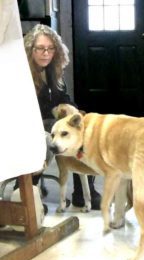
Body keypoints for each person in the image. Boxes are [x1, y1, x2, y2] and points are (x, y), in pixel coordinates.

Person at [23, 24, 101, 210]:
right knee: (60, 129)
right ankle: (26, 188)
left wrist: (72, 110)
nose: (46, 53)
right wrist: (57, 113)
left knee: (82, 126)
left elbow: (64, 97)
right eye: (40, 48)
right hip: (29, 123)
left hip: (52, 122)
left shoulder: (54, 73)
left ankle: (83, 191)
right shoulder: (23, 73)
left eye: (50, 49)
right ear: (30, 49)